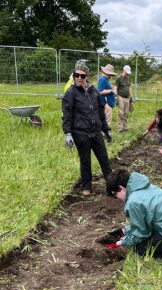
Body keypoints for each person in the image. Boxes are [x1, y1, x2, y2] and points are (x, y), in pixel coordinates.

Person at [62, 60, 112, 197]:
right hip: (81, 133)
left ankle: (112, 185)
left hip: (96, 132)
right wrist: (68, 133)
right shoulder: (71, 93)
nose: (79, 78)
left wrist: (106, 130)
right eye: (76, 74)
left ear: (86, 77)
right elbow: (67, 114)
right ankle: (86, 186)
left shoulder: (93, 91)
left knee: (104, 159)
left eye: (82, 76)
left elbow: (100, 112)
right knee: (85, 160)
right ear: (74, 75)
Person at [114, 65, 132, 132]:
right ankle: (120, 128)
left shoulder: (128, 78)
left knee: (126, 113)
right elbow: (115, 88)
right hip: (120, 97)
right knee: (121, 113)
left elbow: (129, 88)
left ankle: (125, 127)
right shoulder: (119, 78)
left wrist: (131, 96)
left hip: (127, 98)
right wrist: (115, 97)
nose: (127, 74)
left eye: (128, 73)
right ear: (123, 70)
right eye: (126, 72)